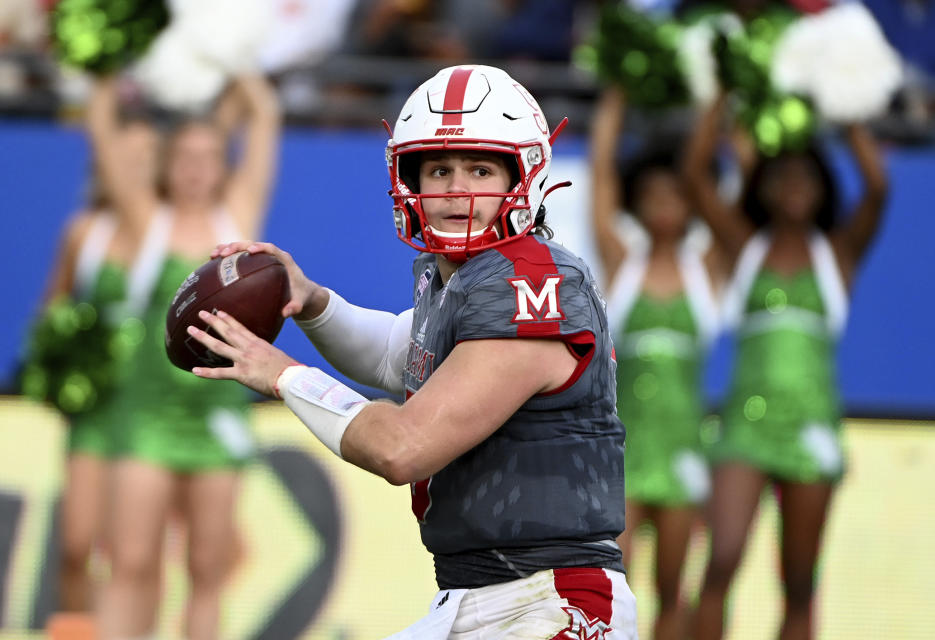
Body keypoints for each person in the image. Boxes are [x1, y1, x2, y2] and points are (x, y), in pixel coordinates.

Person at [189, 64, 639, 639]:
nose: (457, 189)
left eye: (480, 168)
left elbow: (401, 448)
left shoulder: (531, 282)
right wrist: (309, 301)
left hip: (549, 600)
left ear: (523, 176)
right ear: (409, 179)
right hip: (477, 596)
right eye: (439, 169)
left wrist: (284, 376)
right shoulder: (458, 278)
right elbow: (394, 357)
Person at [683, 95, 888, 640]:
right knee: (720, 562)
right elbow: (696, 174)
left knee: (798, 582)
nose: (794, 187)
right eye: (782, 178)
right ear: (762, 190)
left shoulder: (838, 254)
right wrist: (724, 96)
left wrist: (845, 101)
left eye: (806, 178)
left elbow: (879, 187)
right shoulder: (744, 247)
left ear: (823, 190)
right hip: (744, 429)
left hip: (812, 428)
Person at [86, 72, 281, 640]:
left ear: (224, 163)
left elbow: (264, 117)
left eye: (209, 155)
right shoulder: (147, 221)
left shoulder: (236, 221)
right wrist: (125, 70)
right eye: (186, 156)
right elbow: (102, 125)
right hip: (145, 418)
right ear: (167, 164)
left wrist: (225, 52)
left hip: (215, 421)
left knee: (207, 573)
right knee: (131, 563)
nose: (196, 167)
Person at [590, 86, 723, 640]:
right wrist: (619, 92)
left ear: (694, 201)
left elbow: (733, 189)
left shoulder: (709, 271)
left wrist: (721, 99)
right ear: (636, 203)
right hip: (623, 457)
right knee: (615, 589)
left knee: (674, 592)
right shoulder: (622, 264)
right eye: (652, 193)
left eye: (677, 192)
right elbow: (599, 174)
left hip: (685, 456)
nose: (665, 202)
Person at [39, 118, 160, 618]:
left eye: (145, 160)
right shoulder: (83, 233)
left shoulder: (176, 231)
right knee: (75, 544)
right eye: (124, 159)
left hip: (155, 409)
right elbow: (54, 311)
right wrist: (68, 358)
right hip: (96, 408)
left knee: (138, 554)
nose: (132, 170)